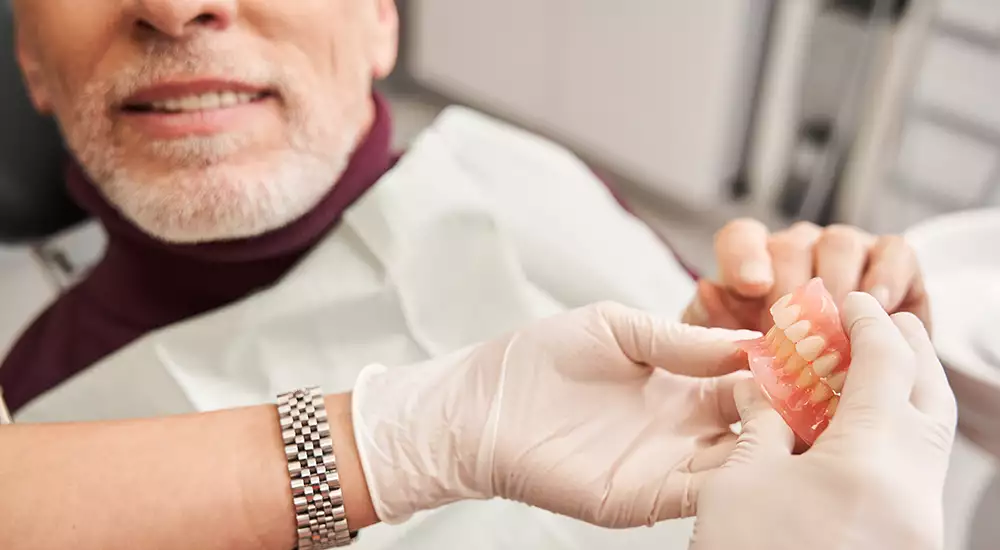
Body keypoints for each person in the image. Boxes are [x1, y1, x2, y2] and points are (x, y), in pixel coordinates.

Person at [0, 1, 949, 549]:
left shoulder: (514, 168)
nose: (173, 2)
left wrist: (756, 362)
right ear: (31, 63)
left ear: (380, 19)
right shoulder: (49, 422)